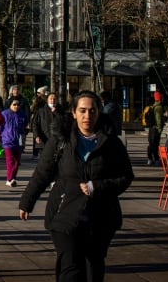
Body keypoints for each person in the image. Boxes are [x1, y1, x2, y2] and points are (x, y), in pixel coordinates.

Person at [19, 90, 134, 282]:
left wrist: (98, 186)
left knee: (93, 267)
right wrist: (27, 201)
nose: (87, 116)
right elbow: (42, 172)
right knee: (70, 267)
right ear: (73, 113)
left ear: (99, 112)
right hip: (65, 212)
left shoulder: (112, 142)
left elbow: (125, 176)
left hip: (101, 216)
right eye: (82, 111)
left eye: (92, 111)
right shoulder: (61, 140)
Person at [1, 98, 28, 187]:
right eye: (14, 104)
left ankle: (12, 178)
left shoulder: (21, 114)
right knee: (10, 162)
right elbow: (0, 127)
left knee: (17, 162)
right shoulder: (5, 114)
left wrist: (22, 142)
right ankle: (9, 179)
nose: (16, 106)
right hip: (8, 141)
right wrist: (2, 137)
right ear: (10, 105)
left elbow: (23, 128)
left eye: (18, 105)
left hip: (18, 141)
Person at [32, 92, 65, 161]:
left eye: (54, 99)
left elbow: (64, 122)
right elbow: (35, 124)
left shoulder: (61, 110)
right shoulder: (41, 111)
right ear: (47, 100)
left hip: (57, 141)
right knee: (45, 161)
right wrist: (36, 136)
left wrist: (56, 112)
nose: (52, 100)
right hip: (44, 140)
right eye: (51, 99)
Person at [147, 91, 168, 166]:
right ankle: (155, 159)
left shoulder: (154, 106)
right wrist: (160, 129)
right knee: (155, 144)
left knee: (151, 144)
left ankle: (150, 159)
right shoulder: (159, 108)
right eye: (162, 98)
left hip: (151, 128)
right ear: (160, 99)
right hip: (155, 129)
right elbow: (158, 119)